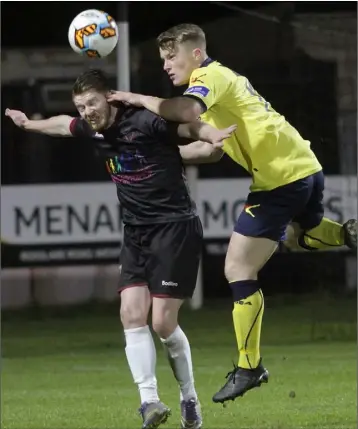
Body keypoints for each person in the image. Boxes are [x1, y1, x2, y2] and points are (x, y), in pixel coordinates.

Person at [106, 23, 358, 405]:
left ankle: (249, 367)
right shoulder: (223, 84)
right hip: (303, 166)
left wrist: (138, 99)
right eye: (162, 59)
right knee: (300, 236)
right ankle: (350, 235)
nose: (166, 66)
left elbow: (186, 110)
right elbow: (211, 150)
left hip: (279, 179)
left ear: (194, 53)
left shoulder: (210, 76)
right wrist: (151, 156)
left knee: (238, 270)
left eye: (171, 57)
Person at [5, 69, 235, 428]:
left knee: (161, 323)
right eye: (81, 105)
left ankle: (189, 396)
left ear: (108, 98)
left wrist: (211, 134)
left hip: (174, 228)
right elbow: (63, 125)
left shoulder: (145, 121)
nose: (87, 111)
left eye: (92, 103)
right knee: (130, 314)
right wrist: (27, 125)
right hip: (135, 232)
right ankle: (150, 402)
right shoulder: (93, 126)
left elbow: (188, 129)